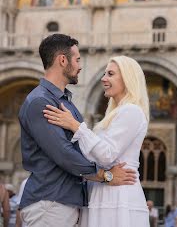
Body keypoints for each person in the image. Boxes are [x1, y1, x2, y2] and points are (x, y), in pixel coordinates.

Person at [19, 34, 136, 227]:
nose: (80, 65)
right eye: (78, 59)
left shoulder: (64, 102)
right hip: (50, 203)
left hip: (64, 204)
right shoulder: (41, 101)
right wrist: (106, 176)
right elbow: (64, 154)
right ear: (62, 60)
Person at [43, 55, 150, 227]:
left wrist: (75, 126)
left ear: (127, 78)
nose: (103, 78)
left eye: (110, 74)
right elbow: (93, 156)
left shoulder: (132, 111)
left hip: (117, 196)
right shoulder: (116, 114)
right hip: (104, 190)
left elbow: (106, 155)